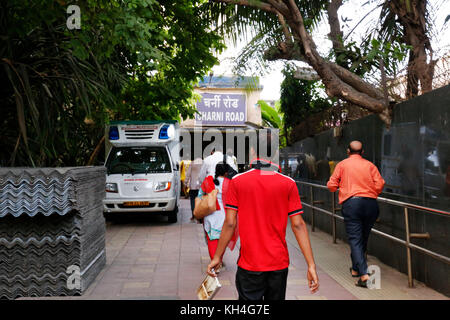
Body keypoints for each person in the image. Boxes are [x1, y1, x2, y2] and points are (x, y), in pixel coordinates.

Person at [206, 153, 319, 300]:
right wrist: (311, 265)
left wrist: (217, 257)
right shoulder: (288, 183)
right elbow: (298, 225)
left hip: (249, 263)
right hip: (278, 263)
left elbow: (230, 223)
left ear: (253, 152)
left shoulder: (238, 181)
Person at [326, 140, 385, 288]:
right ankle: (355, 269)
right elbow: (380, 184)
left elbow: (331, 185)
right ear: (363, 152)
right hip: (371, 204)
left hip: (352, 204)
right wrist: (371, 192)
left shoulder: (342, 165)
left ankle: (364, 275)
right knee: (362, 238)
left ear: (348, 151)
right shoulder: (370, 165)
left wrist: (343, 186)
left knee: (355, 239)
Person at [196, 163, 236, 269]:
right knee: (222, 240)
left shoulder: (208, 181)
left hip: (209, 215)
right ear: (226, 173)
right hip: (225, 216)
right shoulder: (230, 183)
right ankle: (218, 261)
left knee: (211, 240)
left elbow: (200, 196)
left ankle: (215, 264)